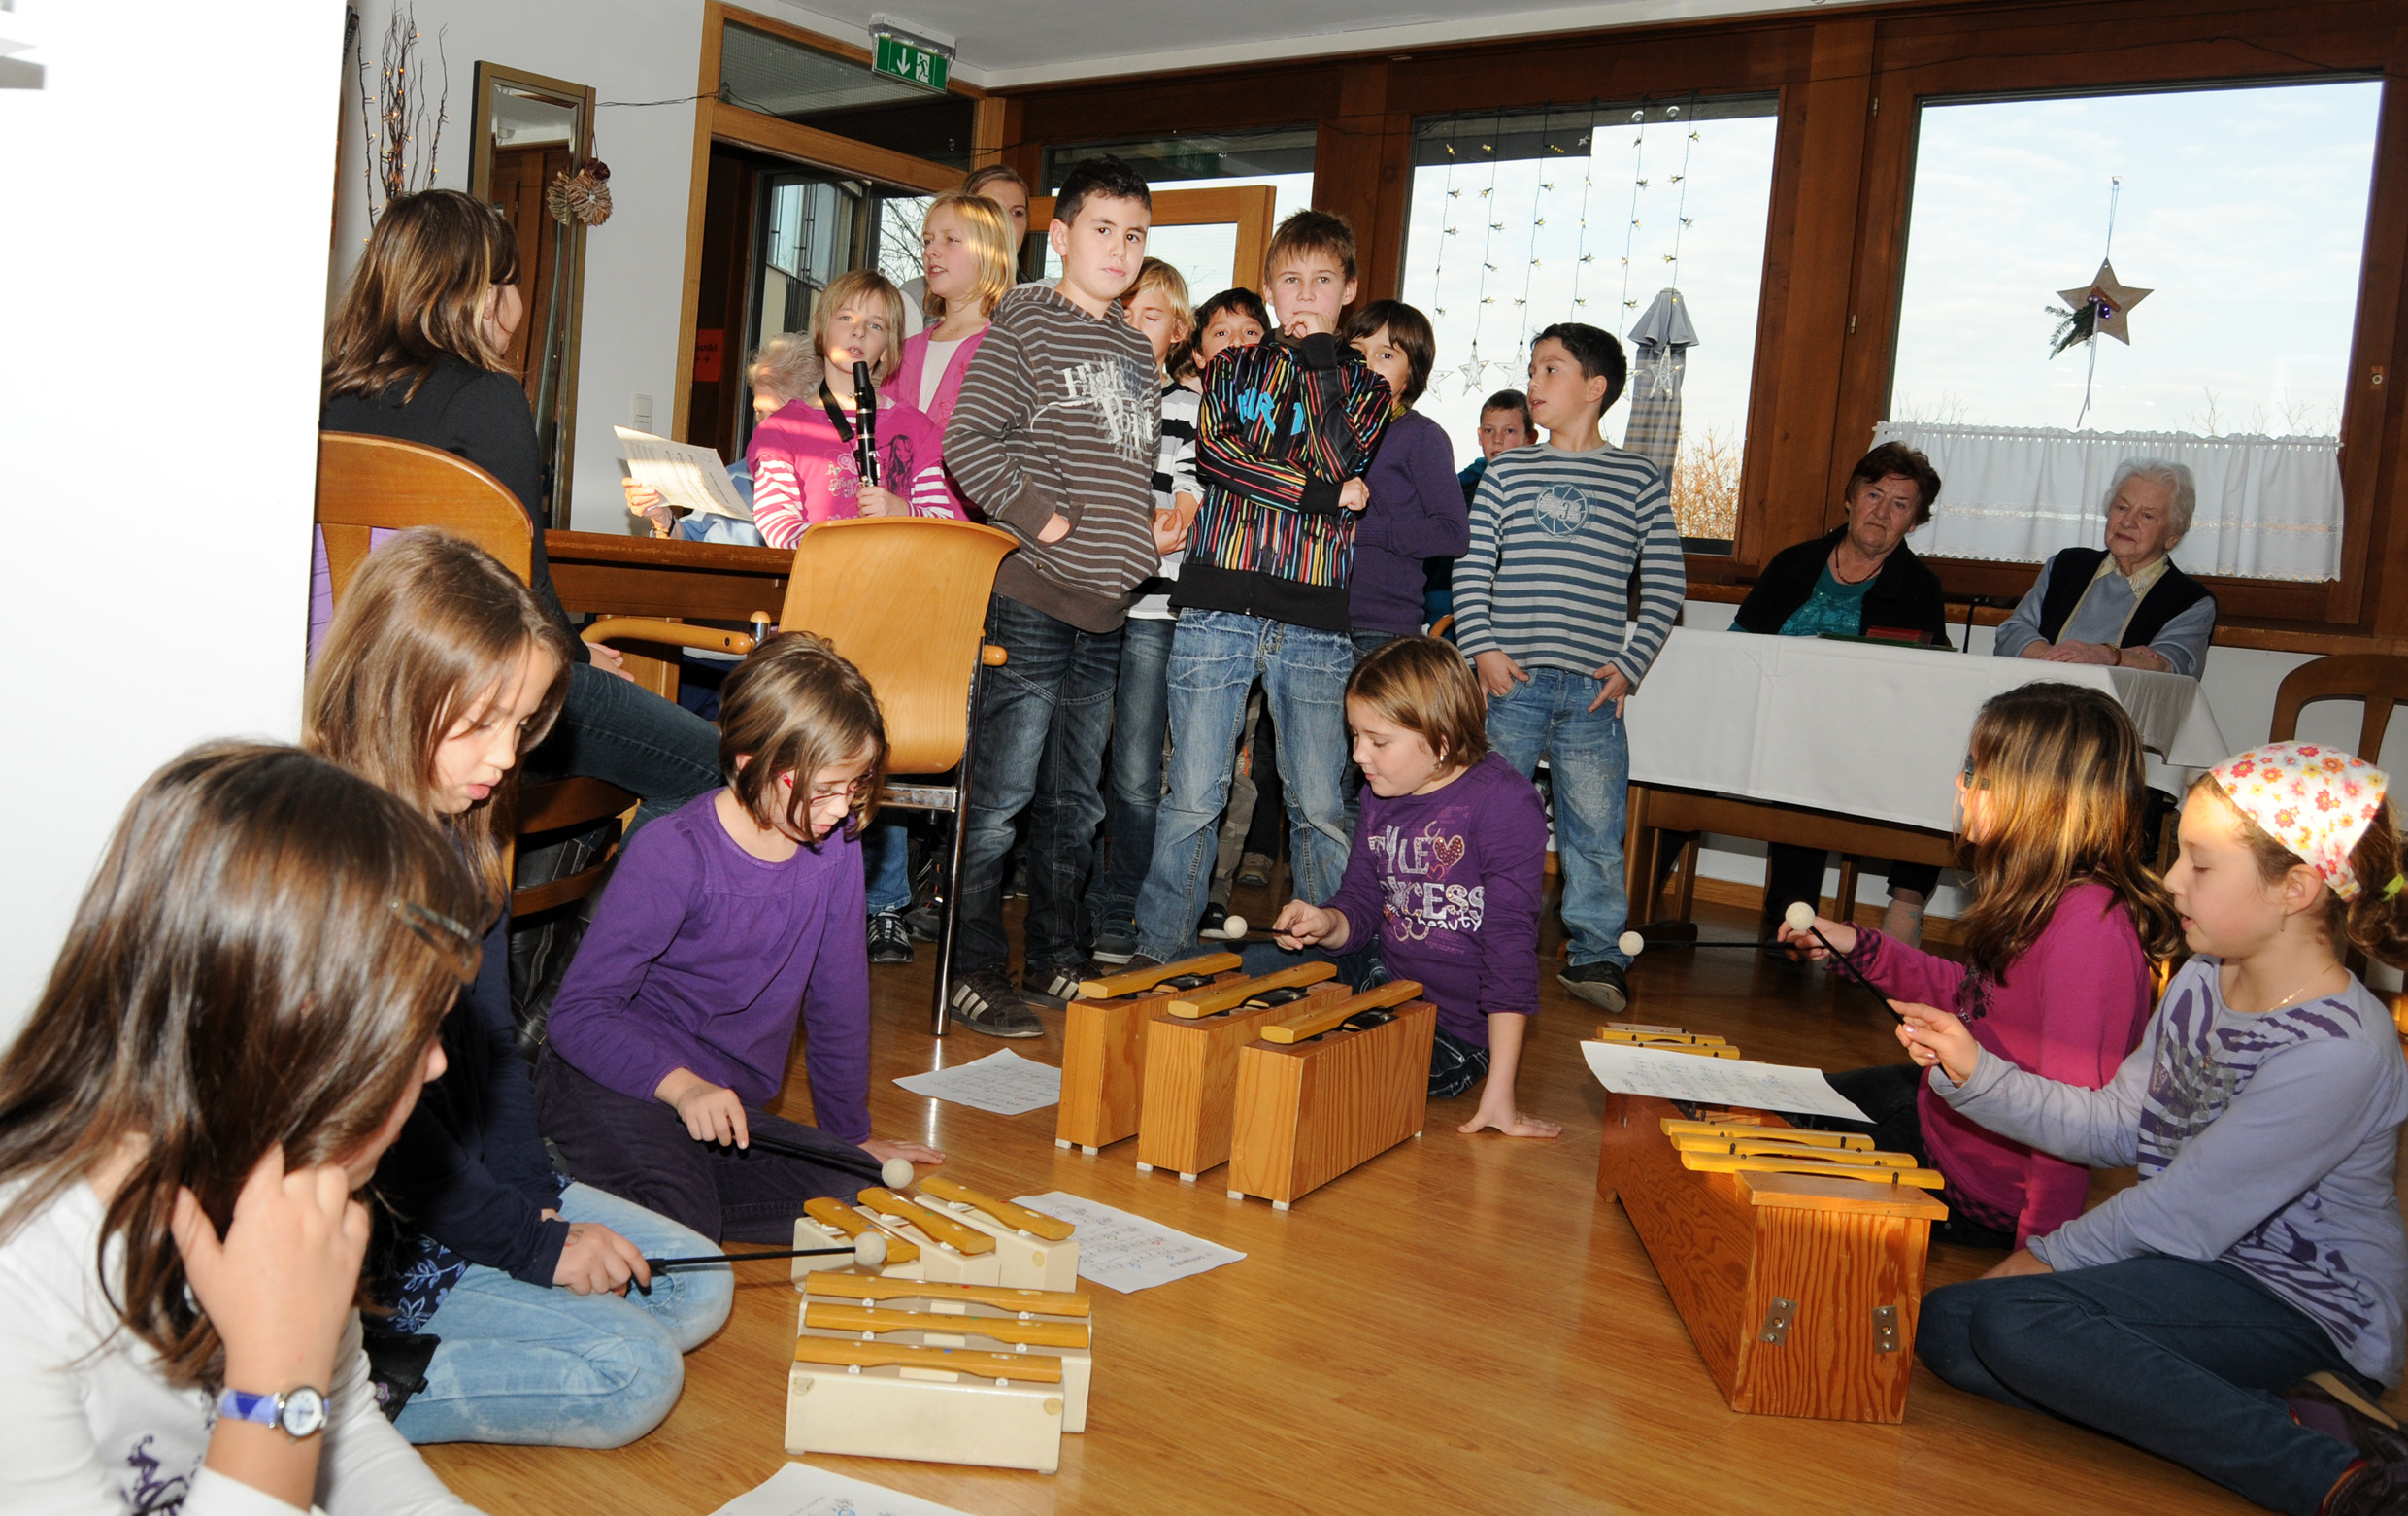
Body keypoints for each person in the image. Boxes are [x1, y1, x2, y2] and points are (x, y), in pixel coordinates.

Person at [302, 530, 732, 1448]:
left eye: (523, 725)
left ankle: (482, 1297)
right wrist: (532, 1246)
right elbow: (386, 1140)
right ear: (397, 689)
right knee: (633, 1372)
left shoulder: (462, 826)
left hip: (460, 1192)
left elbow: (493, 1047)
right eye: (480, 724)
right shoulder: (332, 864)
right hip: (367, 1227)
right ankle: (345, 1388)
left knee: (699, 1284)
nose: (505, 758)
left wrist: (541, 1205)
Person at [1905, 740, 2408, 1516]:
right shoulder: (2202, 980)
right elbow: (2119, 1124)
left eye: (2200, 864)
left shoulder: (2342, 1049)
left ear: (2296, 888)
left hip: (2307, 1310)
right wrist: (1978, 1074)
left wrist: (2044, 1256)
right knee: (1949, 1326)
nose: (2171, 880)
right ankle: (2274, 1407)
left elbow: (2185, 1210)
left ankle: (2337, 1476)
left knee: (2013, 1318)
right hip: (2197, 1267)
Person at [0, 743, 478, 1513]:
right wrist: (275, 1377)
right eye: (414, 1030)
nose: (436, 1064)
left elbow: (349, 1431)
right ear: (294, 1030)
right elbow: (303, 1416)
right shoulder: (20, 1283)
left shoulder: (283, 1188)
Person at [320, 187, 721, 835]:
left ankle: (555, 892)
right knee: (718, 770)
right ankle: (612, 907)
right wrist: (578, 656)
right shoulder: (486, 398)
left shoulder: (324, 396)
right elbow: (523, 591)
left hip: (343, 677)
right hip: (466, 678)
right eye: (511, 283)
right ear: (485, 297)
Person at [535, 633, 947, 1240]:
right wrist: (684, 1089)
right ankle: (559, 1175)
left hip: (717, 1108)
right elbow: (578, 1016)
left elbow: (838, 1000)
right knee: (682, 1215)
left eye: (855, 786)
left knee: (856, 1188)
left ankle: (656, 1188)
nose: (843, 808)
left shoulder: (834, 846)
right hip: (614, 1082)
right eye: (825, 789)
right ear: (753, 765)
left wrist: (849, 1138)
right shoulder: (673, 852)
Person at [1777, 683, 2183, 1248]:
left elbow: (2070, 1125)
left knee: (1773, 1171)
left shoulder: (2091, 932)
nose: (1959, 783)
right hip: (1938, 1115)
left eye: (1976, 772)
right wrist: (1860, 946)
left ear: (2040, 797)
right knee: (1769, 1107)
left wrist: (2038, 1259)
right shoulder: (2042, 891)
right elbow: (1976, 998)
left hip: (1972, 1186)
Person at [1130, 209, 1394, 971]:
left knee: (1320, 803)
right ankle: (1161, 952)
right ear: (1270, 288)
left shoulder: (1366, 387)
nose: (1305, 294)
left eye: (1322, 280)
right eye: (1291, 280)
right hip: (1216, 607)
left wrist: (1319, 363)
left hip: (1313, 618)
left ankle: (1330, 962)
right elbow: (1221, 458)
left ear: (1348, 289)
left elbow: (1339, 451)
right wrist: (1322, 496)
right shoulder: (1230, 368)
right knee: (1193, 792)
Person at [940, 154, 1168, 1035]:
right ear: (1063, 237)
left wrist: (1136, 540)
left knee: (1077, 802)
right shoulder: (1025, 324)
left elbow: (1120, 468)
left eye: (1135, 236)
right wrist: (1049, 521)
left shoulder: (1137, 351)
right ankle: (971, 967)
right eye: (1103, 230)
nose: (1120, 249)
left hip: (1106, 610)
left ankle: (1056, 956)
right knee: (1000, 800)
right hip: (1032, 596)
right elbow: (969, 442)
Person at [1455, 322, 1684, 1014]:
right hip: (1512, 683)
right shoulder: (1508, 472)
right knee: (1491, 817)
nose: (1534, 381)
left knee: (1595, 831)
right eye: (1532, 369)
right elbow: (1472, 566)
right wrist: (1483, 647)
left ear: (1594, 387)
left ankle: (1597, 954)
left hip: (1591, 693)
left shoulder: (1637, 479)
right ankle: (1476, 939)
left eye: (1550, 369)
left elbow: (1667, 584)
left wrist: (1631, 664)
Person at [1270, 638, 1557, 1137]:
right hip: (1383, 976)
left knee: (1331, 1069)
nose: (1359, 755)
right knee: (1244, 978)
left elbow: (1510, 947)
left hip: (1452, 1032)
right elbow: (1361, 900)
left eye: (1378, 741)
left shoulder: (1504, 804)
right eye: (1355, 735)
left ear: (1441, 740)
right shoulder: (1380, 791)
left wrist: (1501, 1089)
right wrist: (1327, 922)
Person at [1731, 440, 1952, 944]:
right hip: (1772, 728)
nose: (1882, 512)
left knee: (1941, 760)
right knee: (1687, 750)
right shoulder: (1793, 563)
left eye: (1900, 504)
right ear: (1850, 499)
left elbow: (1928, 685)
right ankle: (1631, 903)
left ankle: (1893, 912)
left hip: (1867, 741)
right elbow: (1737, 648)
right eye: (1874, 495)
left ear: (1914, 522)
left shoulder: (1920, 587)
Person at [1085, 258, 1198, 965]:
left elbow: (1186, 496)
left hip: (1152, 606)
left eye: (1150, 315)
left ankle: (1120, 900)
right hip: (1088, 594)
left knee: (1133, 766)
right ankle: (1070, 895)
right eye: (1122, 312)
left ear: (1178, 331)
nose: (1132, 325)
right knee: (1078, 757)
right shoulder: (1086, 394)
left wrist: (1174, 514)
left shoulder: (1184, 405)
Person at [747, 268, 962, 549]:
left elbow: (943, 525)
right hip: (822, 573)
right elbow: (777, 523)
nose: (858, 331)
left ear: (887, 348)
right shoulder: (781, 429)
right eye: (846, 318)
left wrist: (901, 510)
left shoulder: (917, 428)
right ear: (820, 328)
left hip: (896, 573)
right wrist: (844, 551)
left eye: (875, 326)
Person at [1992, 458, 2217, 676]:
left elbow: (2170, 666)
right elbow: (2012, 633)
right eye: (2122, 507)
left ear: (2173, 535)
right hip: (2043, 696)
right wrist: (2060, 660)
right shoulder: (2066, 566)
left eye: (2147, 515)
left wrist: (2107, 656)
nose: (2127, 522)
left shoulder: (2190, 600)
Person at [1341, 299, 1466, 657]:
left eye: (1385, 355)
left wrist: (1361, 531)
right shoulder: (1324, 429)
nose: (1367, 364)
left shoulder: (1421, 436)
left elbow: (1453, 533)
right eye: (1357, 352)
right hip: (1311, 619)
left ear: (1411, 373)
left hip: (1379, 627)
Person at [622, 332, 809, 546]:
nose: (765, 426)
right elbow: (688, 537)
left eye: (776, 414)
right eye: (759, 412)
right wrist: (662, 518)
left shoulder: (827, 484)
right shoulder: (735, 476)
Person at [894, 189, 1017, 444]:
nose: (931, 250)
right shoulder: (906, 351)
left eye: (950, 239)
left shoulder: (1006, 350)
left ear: (989, 253)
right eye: (928, 240)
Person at [900, 165, 1031, 339]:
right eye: (991, 209)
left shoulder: (1034, 305)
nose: (1005, 222)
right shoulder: (916, 297)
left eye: (1017, 213)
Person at [1456, 388, 1534, 506]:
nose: (1497, 440)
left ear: (1530, 438)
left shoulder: (1542, 483)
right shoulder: (1464, 486)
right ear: (1480, 436)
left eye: (1509, 431)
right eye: (1489, 430)